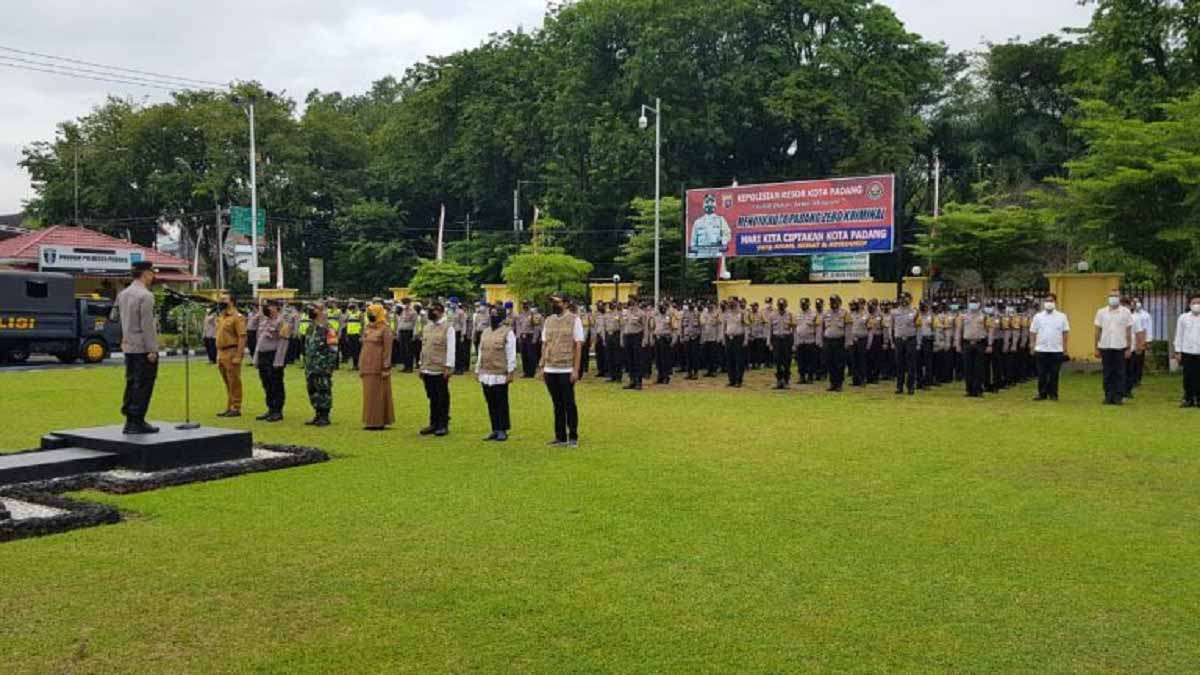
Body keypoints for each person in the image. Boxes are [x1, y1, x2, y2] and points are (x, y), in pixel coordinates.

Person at [114, 261, 160, 434]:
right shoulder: (145, 295)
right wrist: (152, 349)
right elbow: (147, 325)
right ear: (146, 273)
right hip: (142, 347)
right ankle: (137, 420)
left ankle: (130, 419)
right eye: (152, 273)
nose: (153, 276)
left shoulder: (123, 294)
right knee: (144, 384)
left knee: (131, 382)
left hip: (129, 345)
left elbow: (116, 317)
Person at [539, 293, 584, 447]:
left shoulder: (574, 320)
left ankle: (573, 436)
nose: (554, 305)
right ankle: (560, 436)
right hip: (550, 368)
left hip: (566, 368)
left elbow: (578, 345)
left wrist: (576, 369)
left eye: (557, 302)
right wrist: (542, 365)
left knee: (569, 403)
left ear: (565, 304)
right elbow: (545, 344)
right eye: (553, 302)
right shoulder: (548, 320)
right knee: (557, 404)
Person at [476, 307, 516, 441]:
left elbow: (511, 353)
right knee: (490, 402)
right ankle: (494, 428)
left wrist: (510, 372)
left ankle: (502, 430)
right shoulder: (485, 332)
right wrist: (477, 369)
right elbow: (480, 351)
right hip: (486, 372)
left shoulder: (508, 332)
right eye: (491, 314)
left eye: (496, 314)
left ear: (502, 317)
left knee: (501, 402)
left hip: (500, 373)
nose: (493, 316)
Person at [418, 301, 455, 436]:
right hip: (427, 367)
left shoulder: (448, 328)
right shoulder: (427, 327)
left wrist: (449, 366)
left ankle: (443, 424)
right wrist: (421, 364)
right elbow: (424, 347)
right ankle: (433, 423)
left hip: (440, 367)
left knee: (442, 397)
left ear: (440, 312)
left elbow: (451, 348)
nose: (431, 312)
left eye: (433, 310)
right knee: (432, 396)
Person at [252, 300, 290, 422]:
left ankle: (277, 410)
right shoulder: (265, 321)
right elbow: (259, 341)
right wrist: (256, 358)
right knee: (266, 383)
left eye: (268, 306)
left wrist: (278, 361)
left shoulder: (282, 322)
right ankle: (270, 408)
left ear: (276, 307)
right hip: (263, 356)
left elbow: (283, 343)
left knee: (276, 384)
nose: (265, 308)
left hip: (274, 356)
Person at [1094, 291, 1134, 405]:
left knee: (1120, 373)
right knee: (1107, 372)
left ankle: (1118, 396)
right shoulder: (1101, 312)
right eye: (1111, 296)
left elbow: (1128, 331)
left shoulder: (1126, 312)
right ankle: (1108, 396)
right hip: (1105, 345)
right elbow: (1097, 331)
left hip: (1120, 346)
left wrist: (1128, 348)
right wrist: (1096, 347)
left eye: (1115, 296)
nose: (1113, 298)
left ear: (1119, 298)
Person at [360, 303, 396, 430]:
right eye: (368, 312)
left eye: (372, 312)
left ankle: (378, 421)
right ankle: (369, 420)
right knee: (368, 395)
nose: (369, 315)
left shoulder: (385, 329)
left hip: (378, 366)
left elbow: (388, 350)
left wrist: (386, 367)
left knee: (377, 394)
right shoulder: (368, 328)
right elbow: (364, 347)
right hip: (367, 365)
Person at [303, 303, 339, 426]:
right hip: (311, 366)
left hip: (322, 365)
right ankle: (317, 413)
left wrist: (330, 366)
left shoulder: (328, 328)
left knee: (323, 390)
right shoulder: (310, 328)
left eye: (314, 308)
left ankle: (324, 416)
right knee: (312, 390)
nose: (311, 310)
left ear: (322, 311)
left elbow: (333, 349)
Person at [1029, 293, 1070, 401]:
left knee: (1054, 373)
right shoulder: (1038, 316)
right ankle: (1041, 394)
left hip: (1056, 350)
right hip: (1041, 349)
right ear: (1044, 303)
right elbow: (1033, 332)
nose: (1049, 303)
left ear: (1055, 302)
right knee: (1041, 373)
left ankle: (1053, 394)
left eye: (1051, 301)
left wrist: (1065, 348)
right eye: (1047, 301)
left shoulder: (1062, 316)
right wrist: (1032, 345)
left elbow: (1065, 333)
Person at [215, 292, 248, 418]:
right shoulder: (222, 316)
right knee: (227, 382)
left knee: (234, 381)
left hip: (231, 351)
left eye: (224, 299)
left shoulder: (237, 317)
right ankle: (229, 406)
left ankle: (236, 407)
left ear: (232, 302)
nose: (221, 301)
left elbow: (242, 337)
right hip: (221, 352)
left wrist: (239, 355)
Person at [955, 297, 988, 398]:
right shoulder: (963, 316)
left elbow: (989, 330)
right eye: (972, 302)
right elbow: (959, 330)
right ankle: (969, 390)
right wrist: (957, 343)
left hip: (979, 343)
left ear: (979, 304)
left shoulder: (984, 316)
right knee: (967, 368)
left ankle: (978, 389)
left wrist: (989, 344)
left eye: (975, 302)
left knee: (979, 368)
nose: (973, 304)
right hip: (967, 343)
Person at [1171, 296, 1200, 408]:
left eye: (1199, 302)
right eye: (1194, 302)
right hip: (1187, 351)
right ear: (1189, 304)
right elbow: (1179, 335)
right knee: (1188, 376)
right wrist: (1177, 351)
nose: (1196, 305)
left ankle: (1199, 399)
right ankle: (1188, 398)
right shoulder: (1183, 318)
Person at [820, 295, 851, 392]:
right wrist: (821, 341)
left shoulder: (845, 313)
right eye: (832, 302)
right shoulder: (826, 313)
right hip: (828, 341)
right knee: (829, 363)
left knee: (839, 363)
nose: (833, 304)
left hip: (839, 341)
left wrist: (847, 342)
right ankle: (832, 383)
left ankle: (839, 384)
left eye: (835, 302)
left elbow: (848, 329)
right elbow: (822, 328)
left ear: (839, 303)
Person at [891, 292, 919, 395]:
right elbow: (891, 327)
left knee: (911, 364)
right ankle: (899, 387)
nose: (903, 301)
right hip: (899, 339)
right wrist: (892, 341)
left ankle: (910, 387)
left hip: (911, 339)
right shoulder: (894, 312)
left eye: (906, 298)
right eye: (902, 299)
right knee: (899, 364)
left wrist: (918, 342)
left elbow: (918, 327)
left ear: (910, 300)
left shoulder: (915, 312)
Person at [621, 299, 647, 390]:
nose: (630, 306)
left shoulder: (641, 313)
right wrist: (622, 338)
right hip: (627, 336)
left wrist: (645, 339)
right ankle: (632, 381)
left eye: (632, 303)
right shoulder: (626, 313)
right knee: (629, 360)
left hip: (637, 336)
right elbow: (623, 326)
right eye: (629, 304)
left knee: (637, 360)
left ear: (636, 303)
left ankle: (639, 382)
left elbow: (645, 327)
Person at [722, 298, 749, 387]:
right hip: (729, 338)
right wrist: (723, 339)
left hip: (739, 338)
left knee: (739, 360)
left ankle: (739, 380)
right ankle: (731, 380)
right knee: (730, 360)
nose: (730, 304)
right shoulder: (726, 313)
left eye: (732, 302)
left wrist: (746, 339)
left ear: (737, 302)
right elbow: (724, 327)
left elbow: (746, 327)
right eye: (729, 302)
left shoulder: (742, 313)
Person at [652, 302, 677, 384]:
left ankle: (666, 377)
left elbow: (674, 328)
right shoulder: (656, 316)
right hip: (657, 338)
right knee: (658, 359)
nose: (662, 308)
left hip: (665, 339)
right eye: (661, 307)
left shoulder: (670, 316)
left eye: (663, 307)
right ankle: (660, 376)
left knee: (665, 359)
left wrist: (674, 340)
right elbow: (653, 327)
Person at [395, 298, 417, 371]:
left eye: (406, 303)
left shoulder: (413, 312)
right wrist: (397, 333)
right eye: (403, 303)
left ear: (409, 303)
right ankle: (405, 366)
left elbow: (415, 324)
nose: (405, 305)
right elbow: (399, 322)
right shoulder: (401, 311)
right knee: (402, 350)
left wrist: (414, 334)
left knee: (409, 350)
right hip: (402, 331)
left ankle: (410, 367)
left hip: (409, 332)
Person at [343, 303, 364, 370]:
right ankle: (354, 365)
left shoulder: (359, 314)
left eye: (352, 308)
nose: (351, 309)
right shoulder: (349, 314)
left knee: (357, 350)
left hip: (356, 334)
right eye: (350, 308)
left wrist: (361, 335)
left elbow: (362, 324)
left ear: (356, 307)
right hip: (350, 333)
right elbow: (345, 321)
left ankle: (357, 365)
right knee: (351, 350)